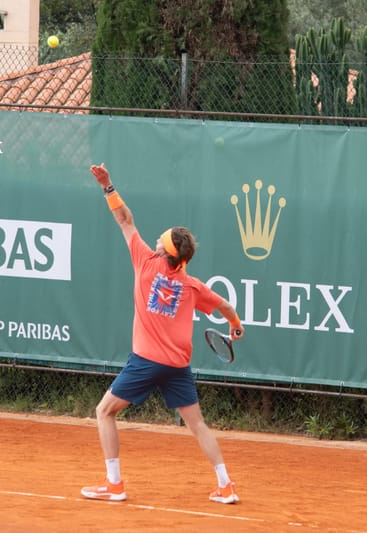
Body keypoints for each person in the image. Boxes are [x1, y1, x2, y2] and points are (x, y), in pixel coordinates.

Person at [81, 162, 245, 505]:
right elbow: (227, 306)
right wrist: (235, 326)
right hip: (177, 366)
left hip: (145, 361)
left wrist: (108, 186)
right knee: (197, 424)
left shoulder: (145, 261)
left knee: (104, 412)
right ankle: (225, 485)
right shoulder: (192, 285)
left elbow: (125, 220)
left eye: (162, 237)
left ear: (164, 251)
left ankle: (114, 485)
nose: (156, 237)